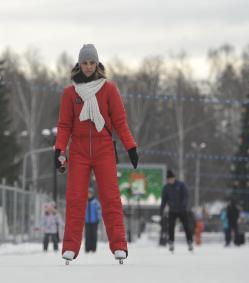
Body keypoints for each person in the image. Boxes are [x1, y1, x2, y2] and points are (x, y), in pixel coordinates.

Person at [54, 44, 139, 263]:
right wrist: (59, 149)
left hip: (104, 148)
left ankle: (119, 245)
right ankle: (70, 247)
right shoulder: (70, 93)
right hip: (79, 150)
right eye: (85, 63)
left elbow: (120, 121)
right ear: (79, 64)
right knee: (75, 199)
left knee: (111, 198)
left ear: (97, 64)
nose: (89, 67)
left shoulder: (109, 89)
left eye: (92, 62)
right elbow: (64, 125)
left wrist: (130, 146)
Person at [160, 170, 193, 252]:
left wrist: (184, 205)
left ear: (174, 178)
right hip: (172, 210)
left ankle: (189, 242)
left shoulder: (181, 185)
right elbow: (164, 200)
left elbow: (186, 196)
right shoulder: (166, 188)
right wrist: (161, 209)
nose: (170, 180)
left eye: (171, 179)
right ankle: (171, 242)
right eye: (168, 179)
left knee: (186, 226)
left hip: (182, 210)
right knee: (171, 226)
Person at [85, 187, 102, 253]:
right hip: (87, 221)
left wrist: (99, 218)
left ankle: (93, 249)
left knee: (94, 235)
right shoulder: (85, 202)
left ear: (92, 194)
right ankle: (87, 249)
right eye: (88, 193)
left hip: (94, 221)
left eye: (90, 193)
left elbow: (98, 211)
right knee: (87, 235)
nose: (89, 195)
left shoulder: (95, 202)